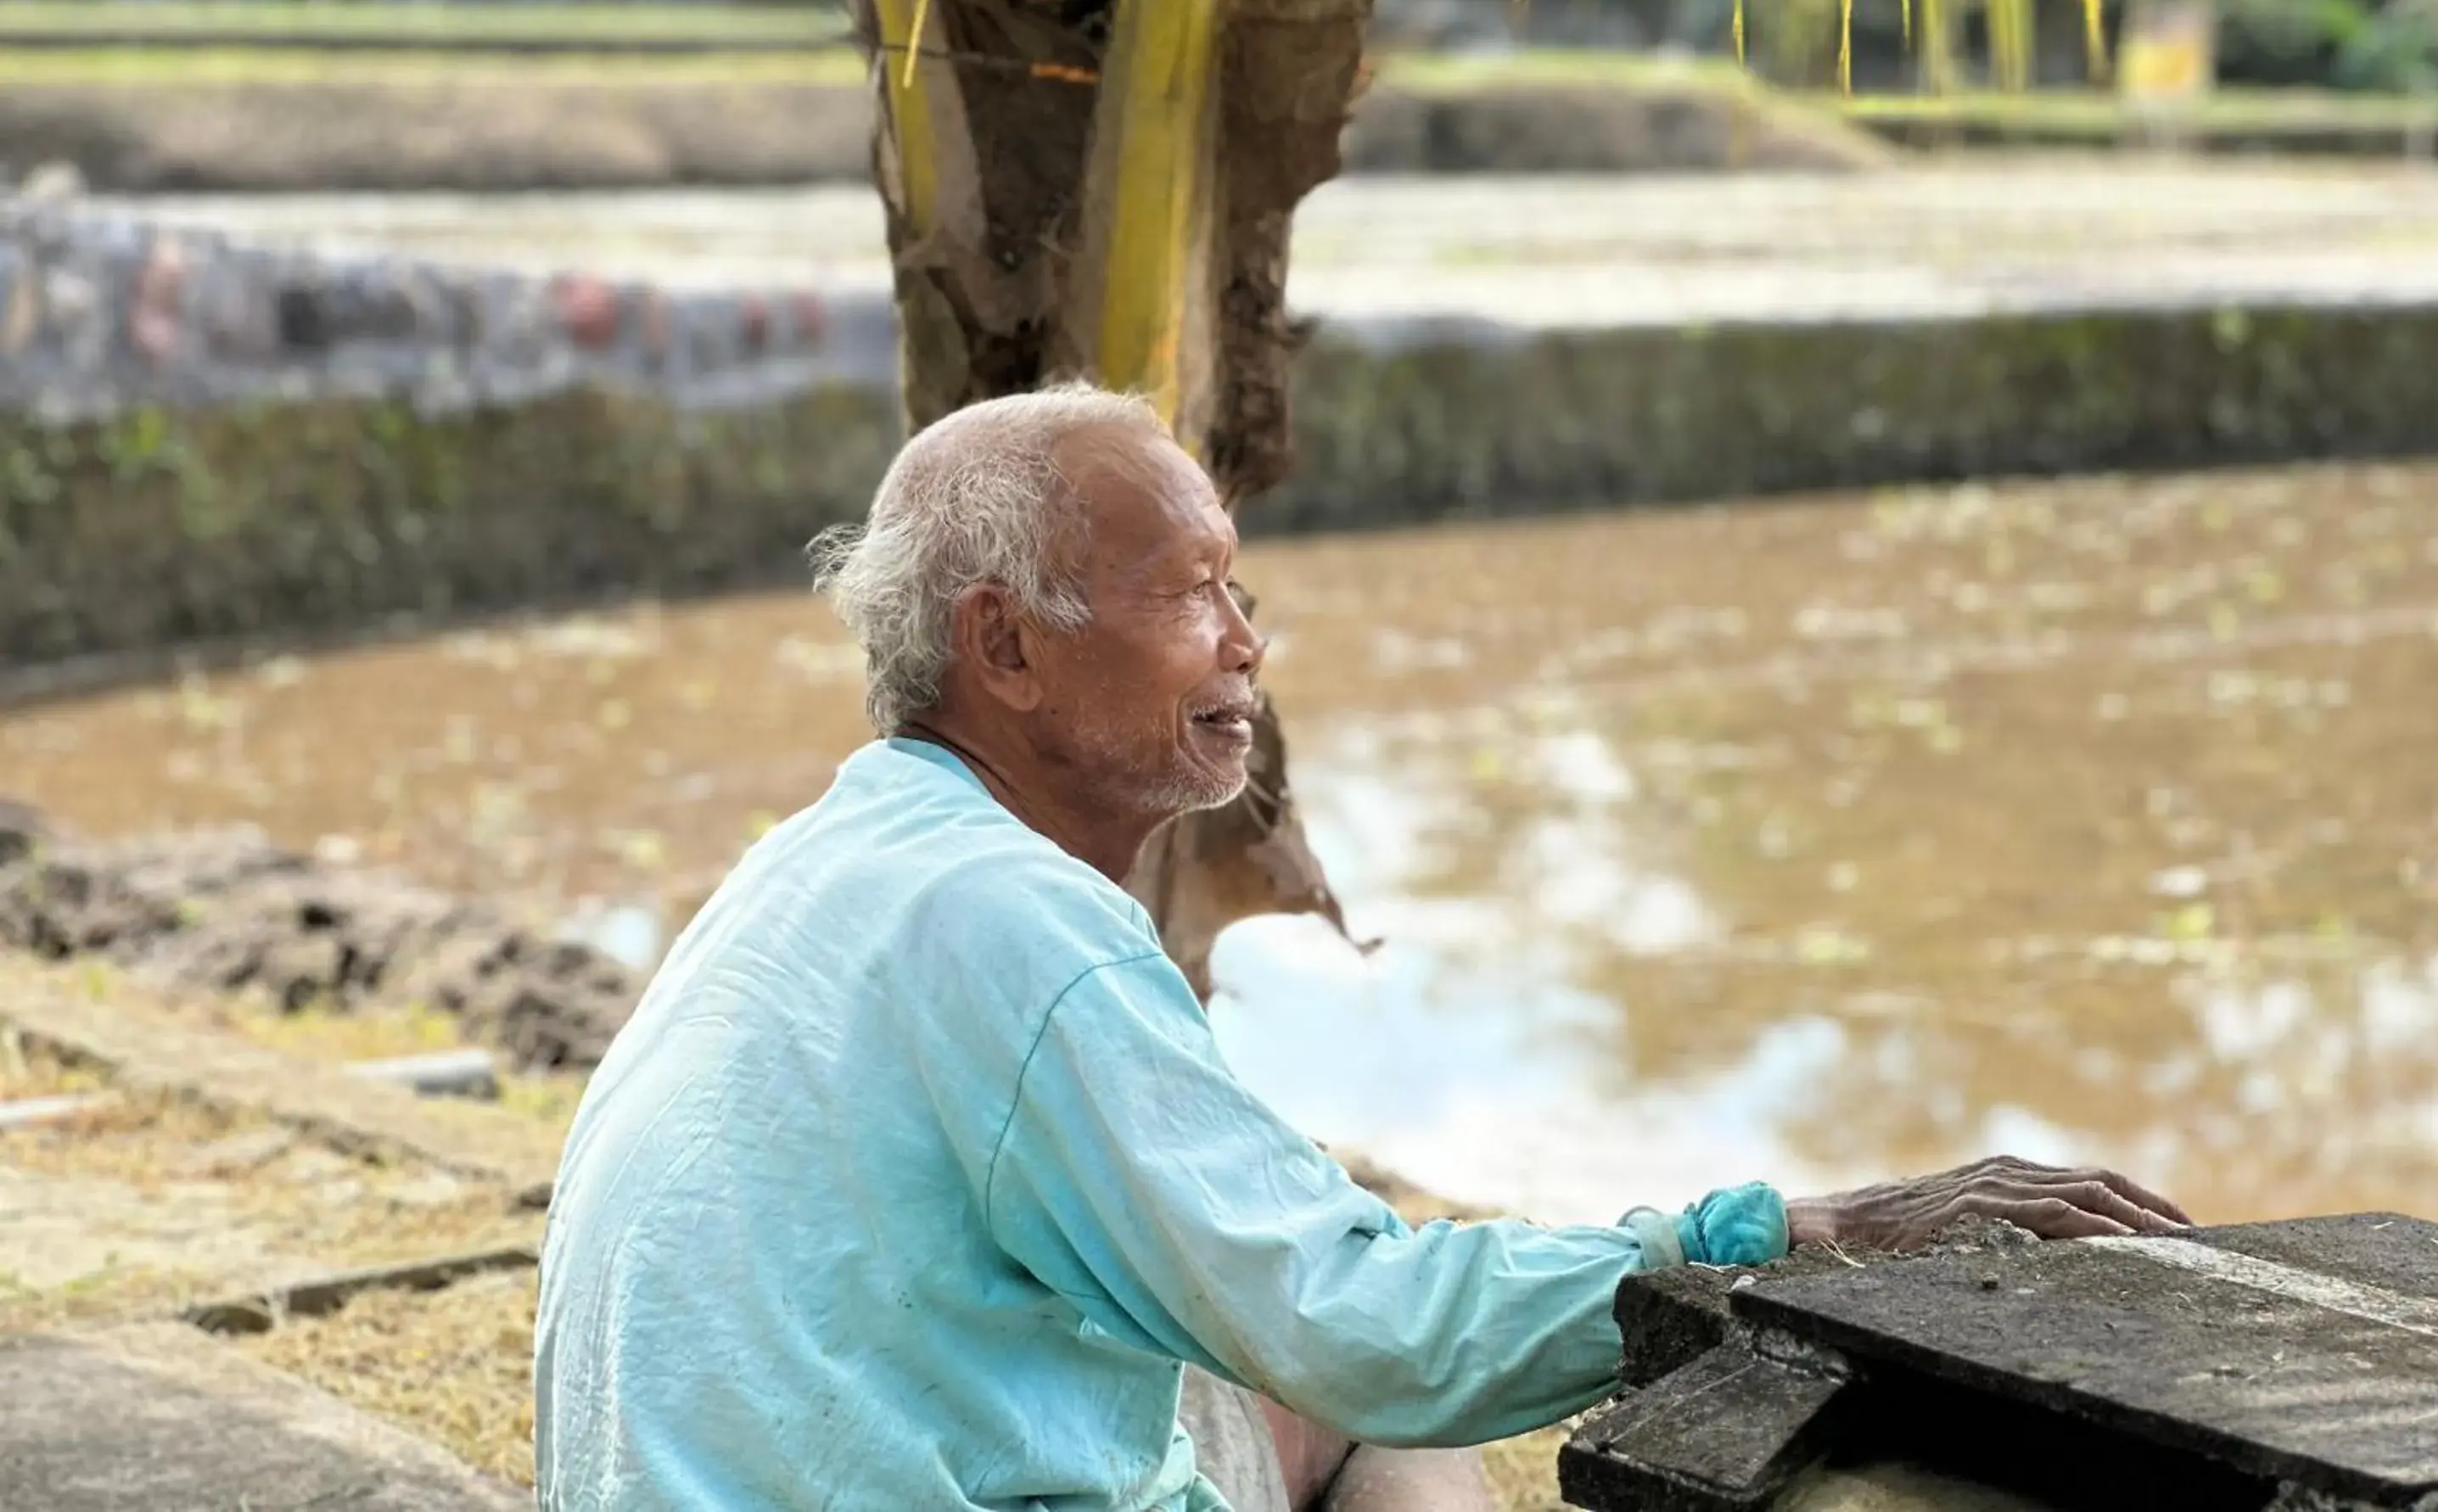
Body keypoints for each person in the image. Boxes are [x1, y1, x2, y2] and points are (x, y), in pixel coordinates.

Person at [533, 384, 2192, 1512]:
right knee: (1376, 1394)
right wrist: (1796, 1229)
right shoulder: (1013, 919)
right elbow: (1364, 1328)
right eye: (1190, 596)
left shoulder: (830, 854)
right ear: (1007, 651)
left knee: (1298, 1397)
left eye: (1239, 589)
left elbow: (1284, 1312)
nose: (1248, 645)